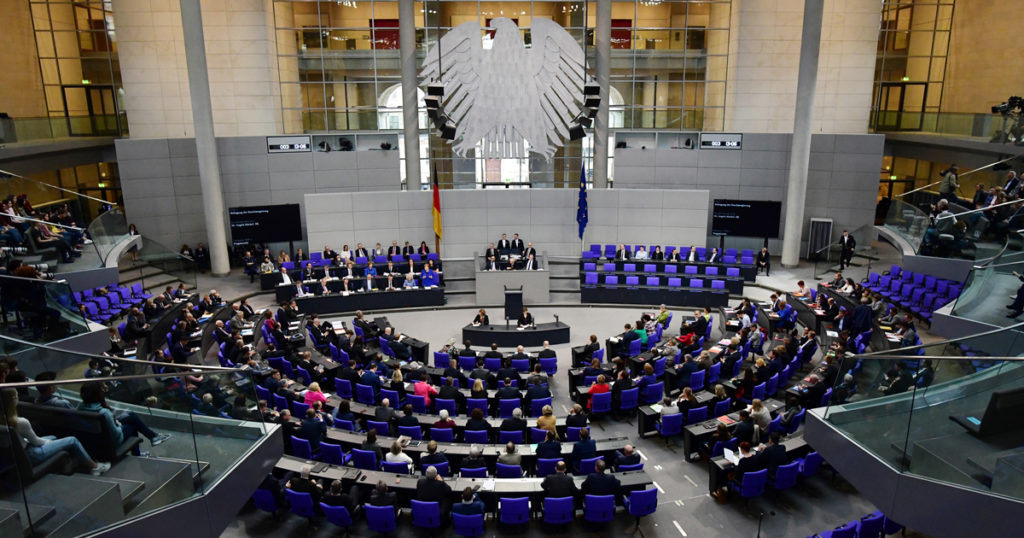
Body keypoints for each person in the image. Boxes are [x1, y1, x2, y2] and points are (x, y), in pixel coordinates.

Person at [1, 388, 111, 475]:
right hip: (31, 455)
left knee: (53, 437)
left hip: (15, 456)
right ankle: (95, 467)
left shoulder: (5, 421)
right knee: (72, 440)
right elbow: (37, 442)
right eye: (17, 397)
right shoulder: (20, 422)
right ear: (13, 399)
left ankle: (69, 464)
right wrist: (48, 442)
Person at [78, 382, 170, 454]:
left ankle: (153, 437)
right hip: (110, 440)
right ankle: (142, 448)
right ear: (98, 394)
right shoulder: (104, 413)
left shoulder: (79, 407)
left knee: (130, 415)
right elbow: (116, 435)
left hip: (96, 438)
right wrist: (119, 424)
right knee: (132, 425)